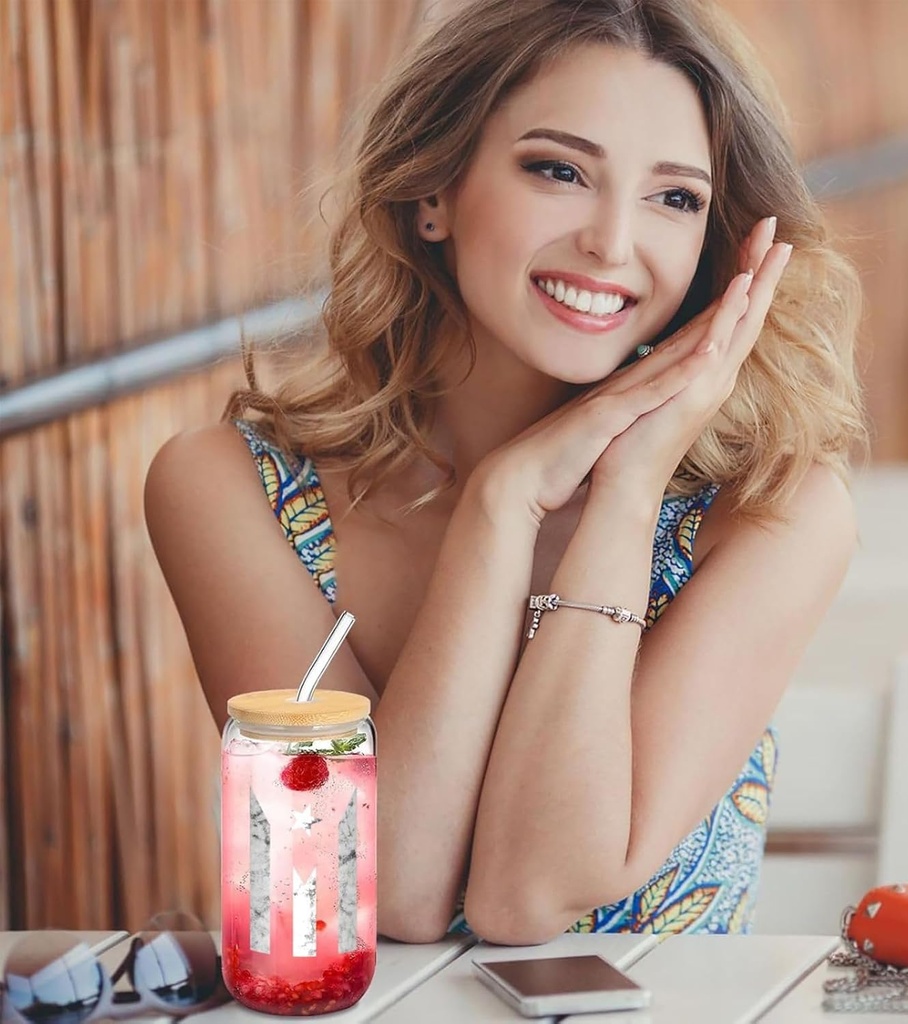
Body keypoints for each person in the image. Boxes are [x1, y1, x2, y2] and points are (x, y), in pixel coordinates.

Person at [145, 0, 865, 945]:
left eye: (674, 197)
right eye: (559, 171)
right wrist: (501, 503)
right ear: (433, 191)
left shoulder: (772, 514)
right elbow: (383, 889)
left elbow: (528, 895)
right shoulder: (231, 489)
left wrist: (627, 488)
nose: (612, 243)